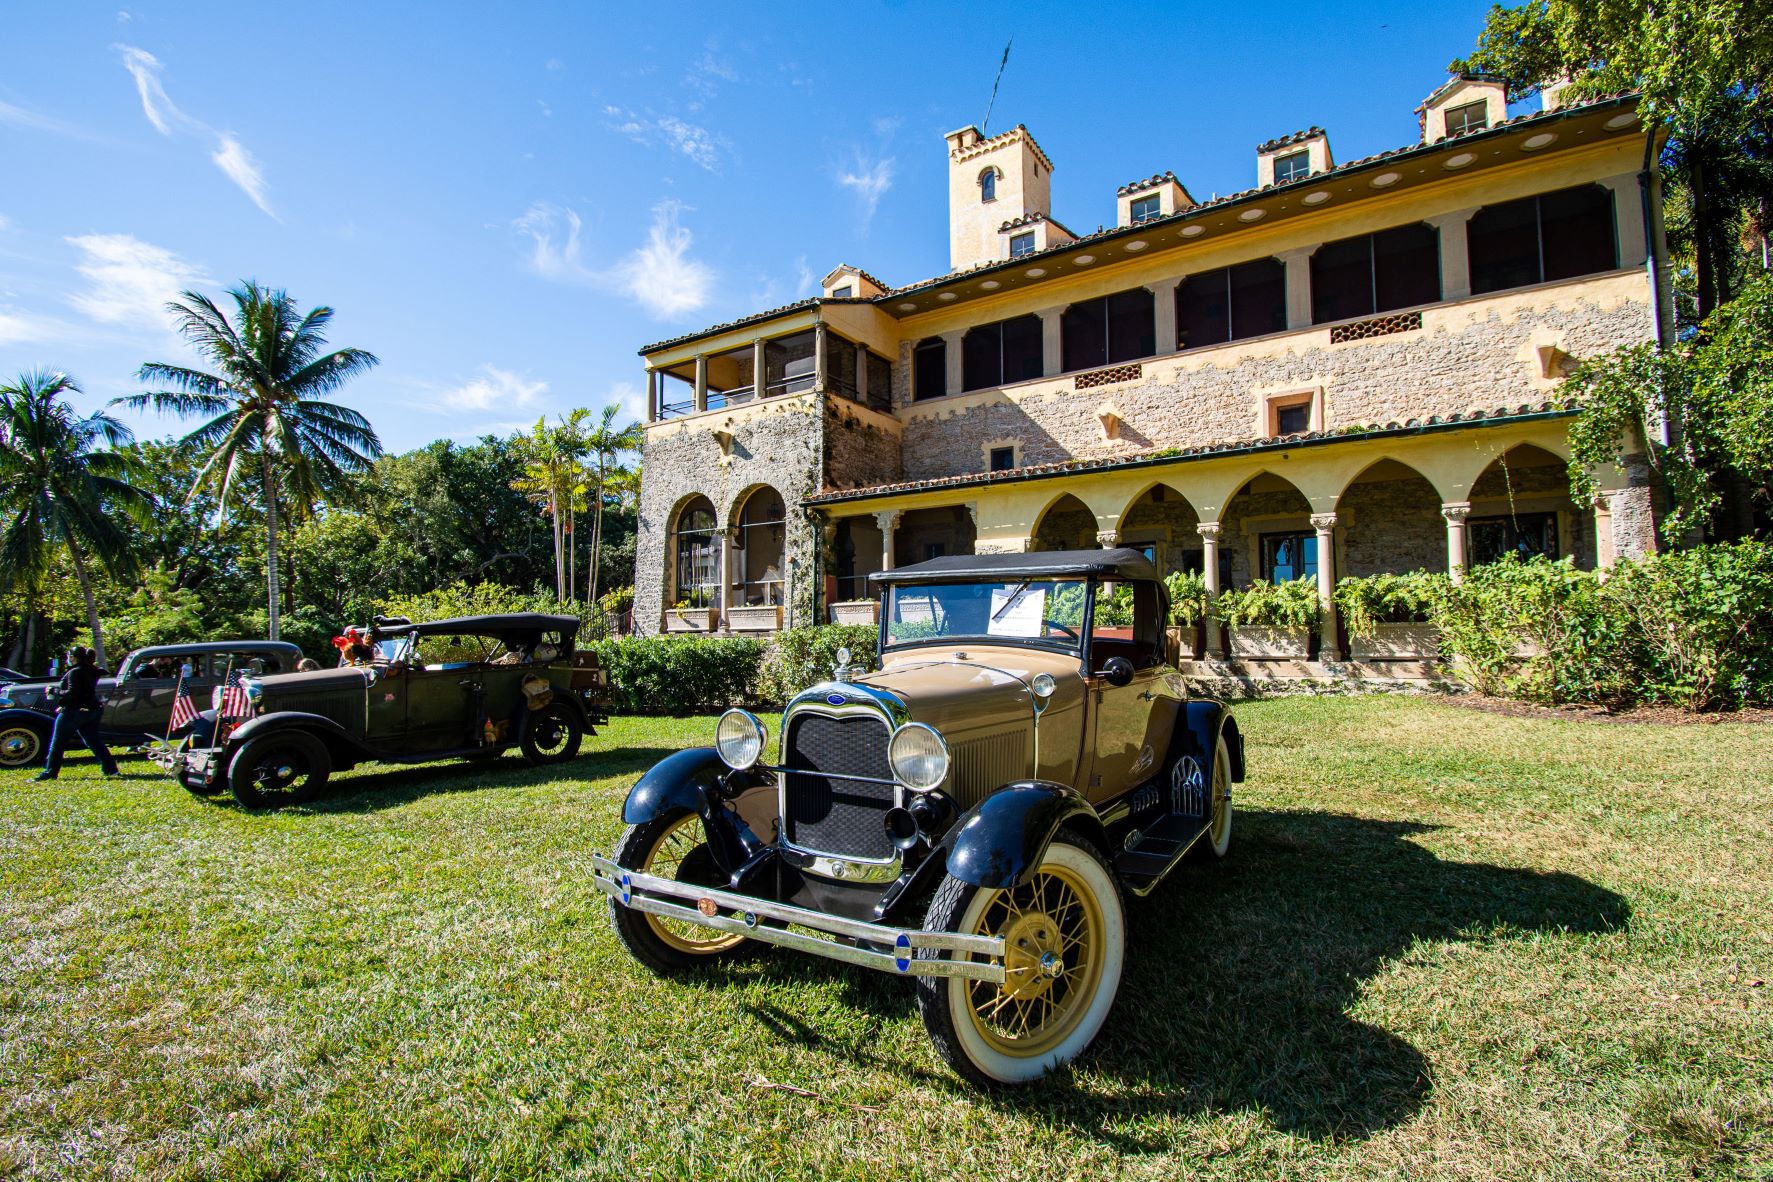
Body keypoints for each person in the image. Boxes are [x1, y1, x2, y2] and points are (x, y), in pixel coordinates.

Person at [35, 646, 120, 781]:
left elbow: (72, 693)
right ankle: (111, 769)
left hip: (74, 712)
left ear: (73, 657)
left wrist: (54, 691)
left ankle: (49, 773)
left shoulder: (75, 672)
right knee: (94, 741)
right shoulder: (93, 670)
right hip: (92, 710)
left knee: (58, 743)